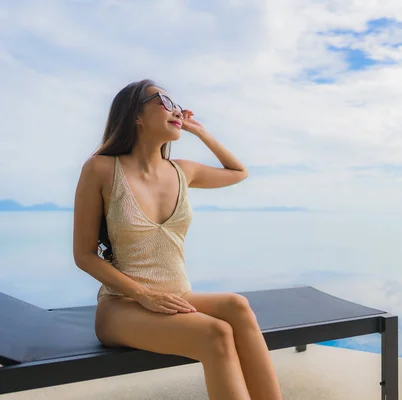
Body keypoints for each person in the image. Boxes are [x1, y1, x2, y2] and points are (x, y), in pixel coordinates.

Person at [72, 79, 282, 400]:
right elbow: (84, 255)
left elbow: (238, 171)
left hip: (176, 297)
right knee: (216, 332)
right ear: (136, 116)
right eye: (163, 102)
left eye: (176, 104)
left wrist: (198, 131)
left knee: (237, 306)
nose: (176, 109)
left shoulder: (183, 171)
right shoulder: (101, 169)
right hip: (122, 307)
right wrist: (143, 294)